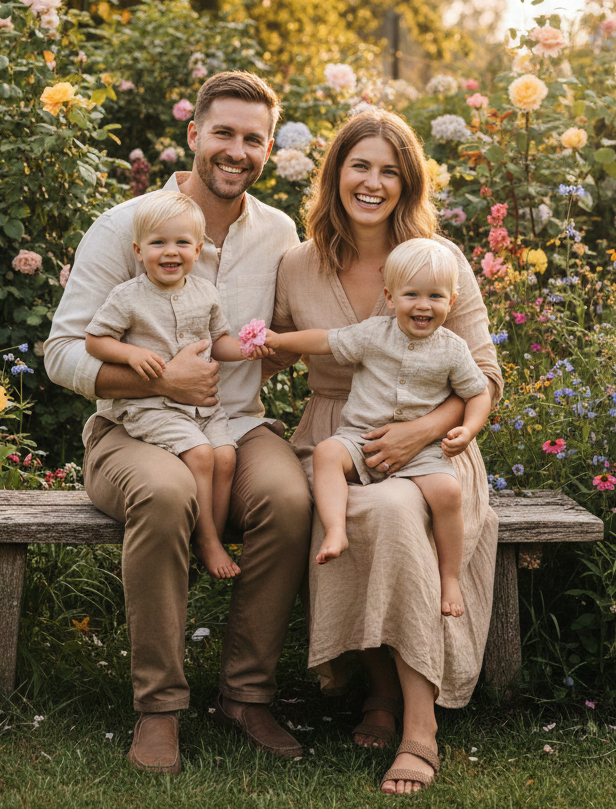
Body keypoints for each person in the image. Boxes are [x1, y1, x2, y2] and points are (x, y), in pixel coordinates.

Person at [45, 71, 311, 774]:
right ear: (194, 134)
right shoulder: (126, 225)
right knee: (167, 493)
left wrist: (271, 356)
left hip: (235, 425)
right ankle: (159, 707)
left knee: (289, 499)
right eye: (223, 133)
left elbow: (276, 337)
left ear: (267, 149)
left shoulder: (279, 232)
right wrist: (160, 378)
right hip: (133, 428)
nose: (237, 151)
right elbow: (62, 352)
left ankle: (246, 695)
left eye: (253, 139)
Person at [269, 108, 503, 794]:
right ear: (335, 173)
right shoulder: (298, 264)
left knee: (397, 512)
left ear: (409, 184)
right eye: (360, 166)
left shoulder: (437, 261)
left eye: (390, 171)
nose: (372, 183)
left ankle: (419, 726)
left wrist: (423, 431)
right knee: (344, 509)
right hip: (335, 436)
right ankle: (378, 687)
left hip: (430, 446)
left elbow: (484, 376)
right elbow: (276, 349)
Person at [263, 238, 491, 618]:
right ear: (390, 297)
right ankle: (336, 529)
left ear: (451, 301)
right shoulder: (372, 334)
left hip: (422, 449)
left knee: (448, 492)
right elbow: (324, 340)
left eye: (435, 296)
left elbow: (478, 393)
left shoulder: (453, 350)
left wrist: (468, 430)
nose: (423, 305)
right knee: (327, 453)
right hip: (360, 437)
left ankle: (450, 577)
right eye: (412, 294)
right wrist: (277, 339)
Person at [84, 190, 272, 580]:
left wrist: (247, 349)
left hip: (203, 408)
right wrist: (130, 355)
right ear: (139, 251)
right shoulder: (128, 297)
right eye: (158, 243)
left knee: (225, 456)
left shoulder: (205, 293)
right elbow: (95, 341)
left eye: (182, 243)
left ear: (198, 250)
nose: (171, 252)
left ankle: (210, 532)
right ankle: (208, 541)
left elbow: (218, 341)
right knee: (201, 455)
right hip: (152, 408)